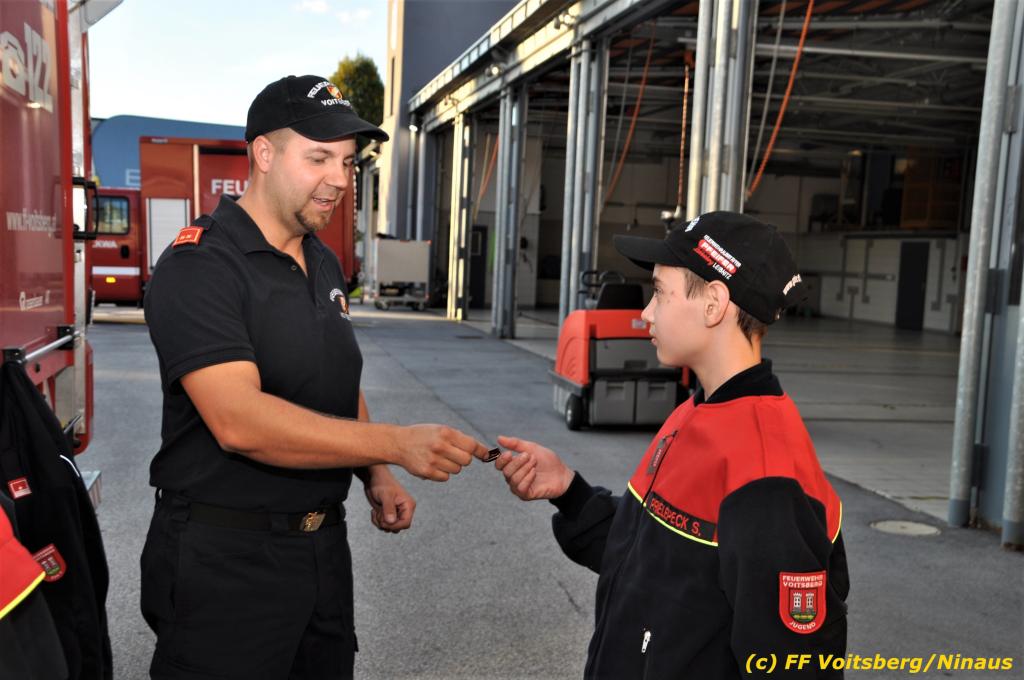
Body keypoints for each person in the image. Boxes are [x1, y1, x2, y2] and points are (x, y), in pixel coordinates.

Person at [141, 74, 489, 680]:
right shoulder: (201, 265)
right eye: (319, 157)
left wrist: (375, 473)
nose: (341, 178)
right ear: (264, 154)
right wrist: (395, 444)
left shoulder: (321, 258)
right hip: (225, 559)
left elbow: (334, 378)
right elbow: (238, 421)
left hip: (321, 550)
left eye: (348, 162)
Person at [494, 211, 849, 678]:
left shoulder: (765, 475)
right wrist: (569, 491)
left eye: (660, 293)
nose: (646, 312)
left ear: (713, 304)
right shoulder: (697, 411)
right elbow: (658, 558)